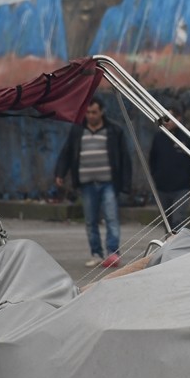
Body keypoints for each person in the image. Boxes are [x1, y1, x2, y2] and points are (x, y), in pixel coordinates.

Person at [54, 99, 131, 267]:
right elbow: (67, 153)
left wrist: (126, 183)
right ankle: (96, 253)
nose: (90, 116)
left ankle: (113, 252)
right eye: (88, 113)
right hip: (87, 183)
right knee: (90, 221)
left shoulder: (114, 130)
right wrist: (60, 172)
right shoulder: (78, 130)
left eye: (94, 112)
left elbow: (124, 158)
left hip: (108, 183)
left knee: (111, 218)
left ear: (101, 112)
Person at [148, 117, 190, 231]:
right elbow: (152, 159)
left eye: (169, 119)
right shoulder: (159, 137)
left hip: (181, 187)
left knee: (178, 219)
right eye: (164, 119)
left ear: (177, 118)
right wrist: (156, 176)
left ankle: (178, 244)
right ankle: (170, 243)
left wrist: (187, 176)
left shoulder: (187, 137)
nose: (166, 123)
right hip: (162, 186)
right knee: (166, 221)